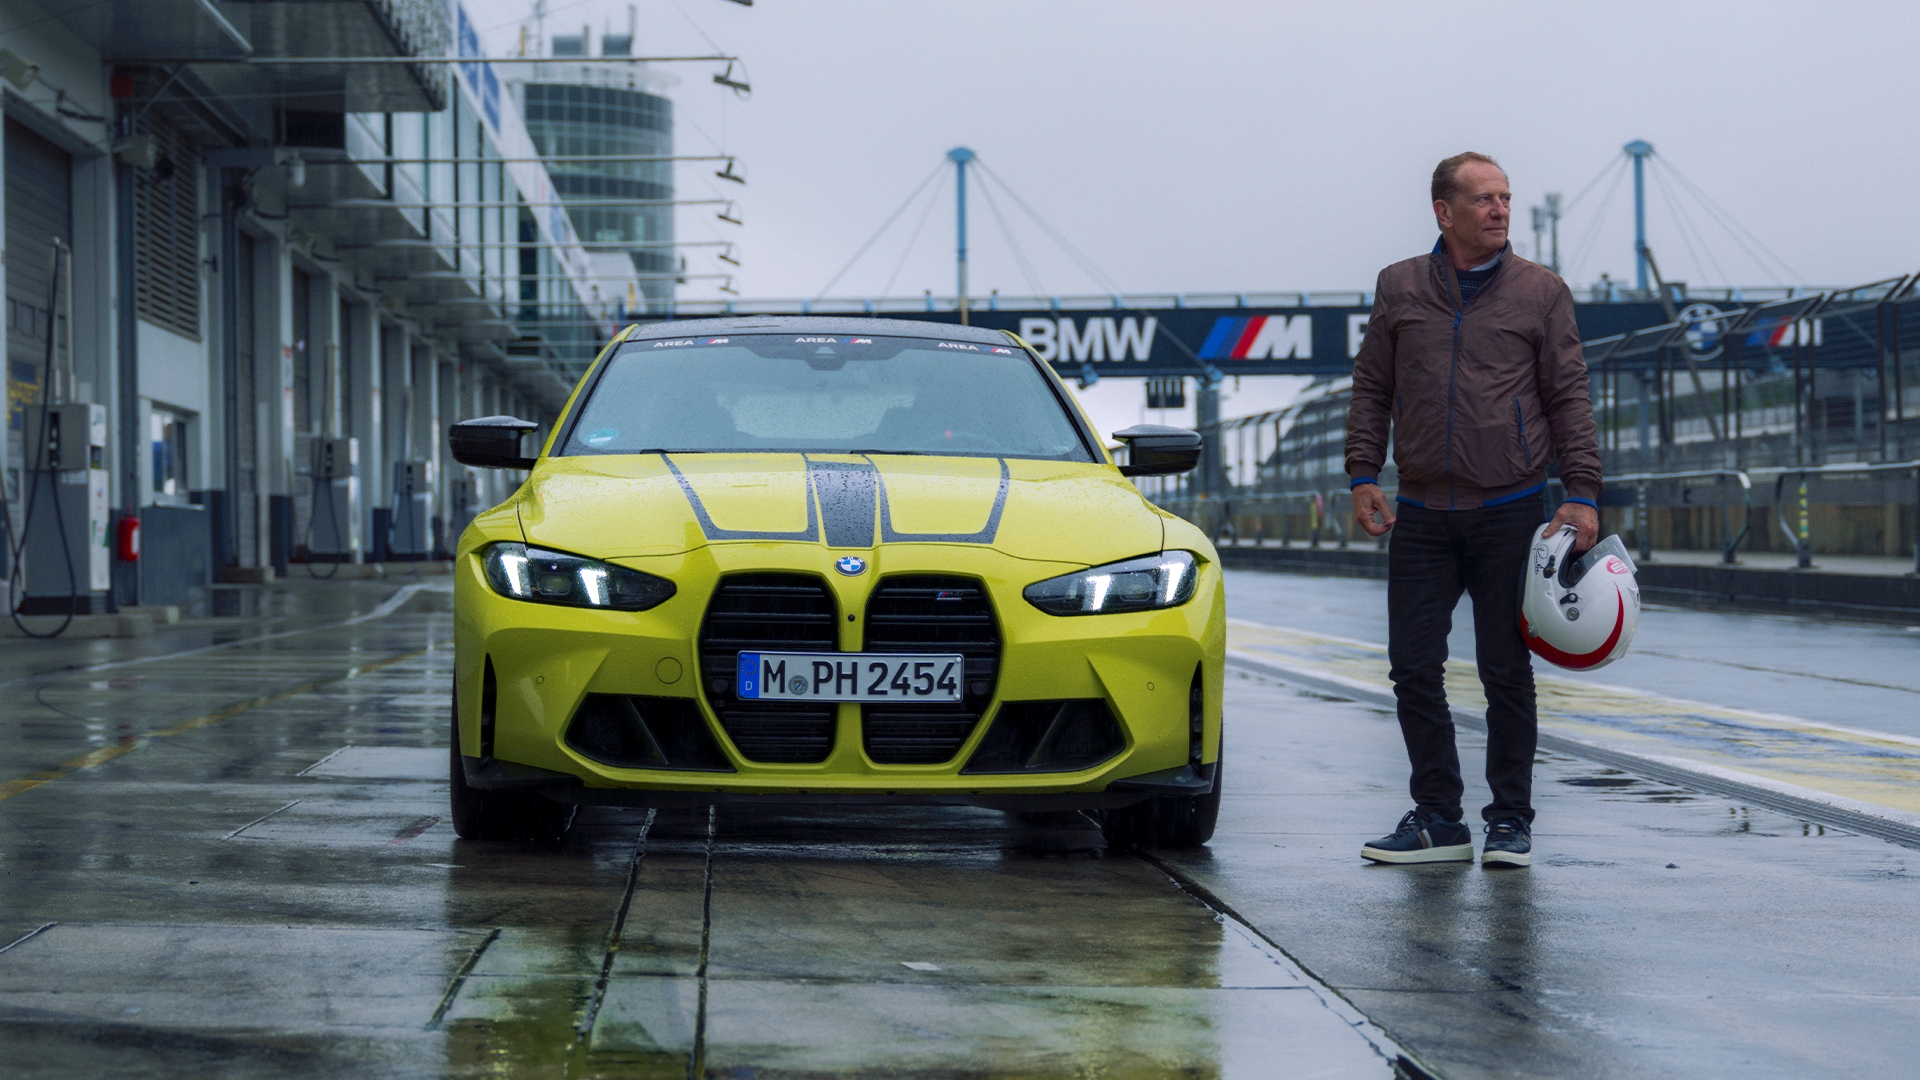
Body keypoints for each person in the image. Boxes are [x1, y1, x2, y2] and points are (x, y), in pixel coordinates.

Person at [1345, 151, 1602, 868]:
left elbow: (1569, 396)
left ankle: (1510, 821)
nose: (1498, 209)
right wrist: (1364, 471)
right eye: (1484, 198)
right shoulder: (1398, 287)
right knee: (1413, 668)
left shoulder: (1540, 292)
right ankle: (1437, 818)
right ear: (1444, 211)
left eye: (1506, 198)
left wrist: (1581, 492)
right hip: (1423, 510)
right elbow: (1371, 387)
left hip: (1511, 509)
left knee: (1504, 669)